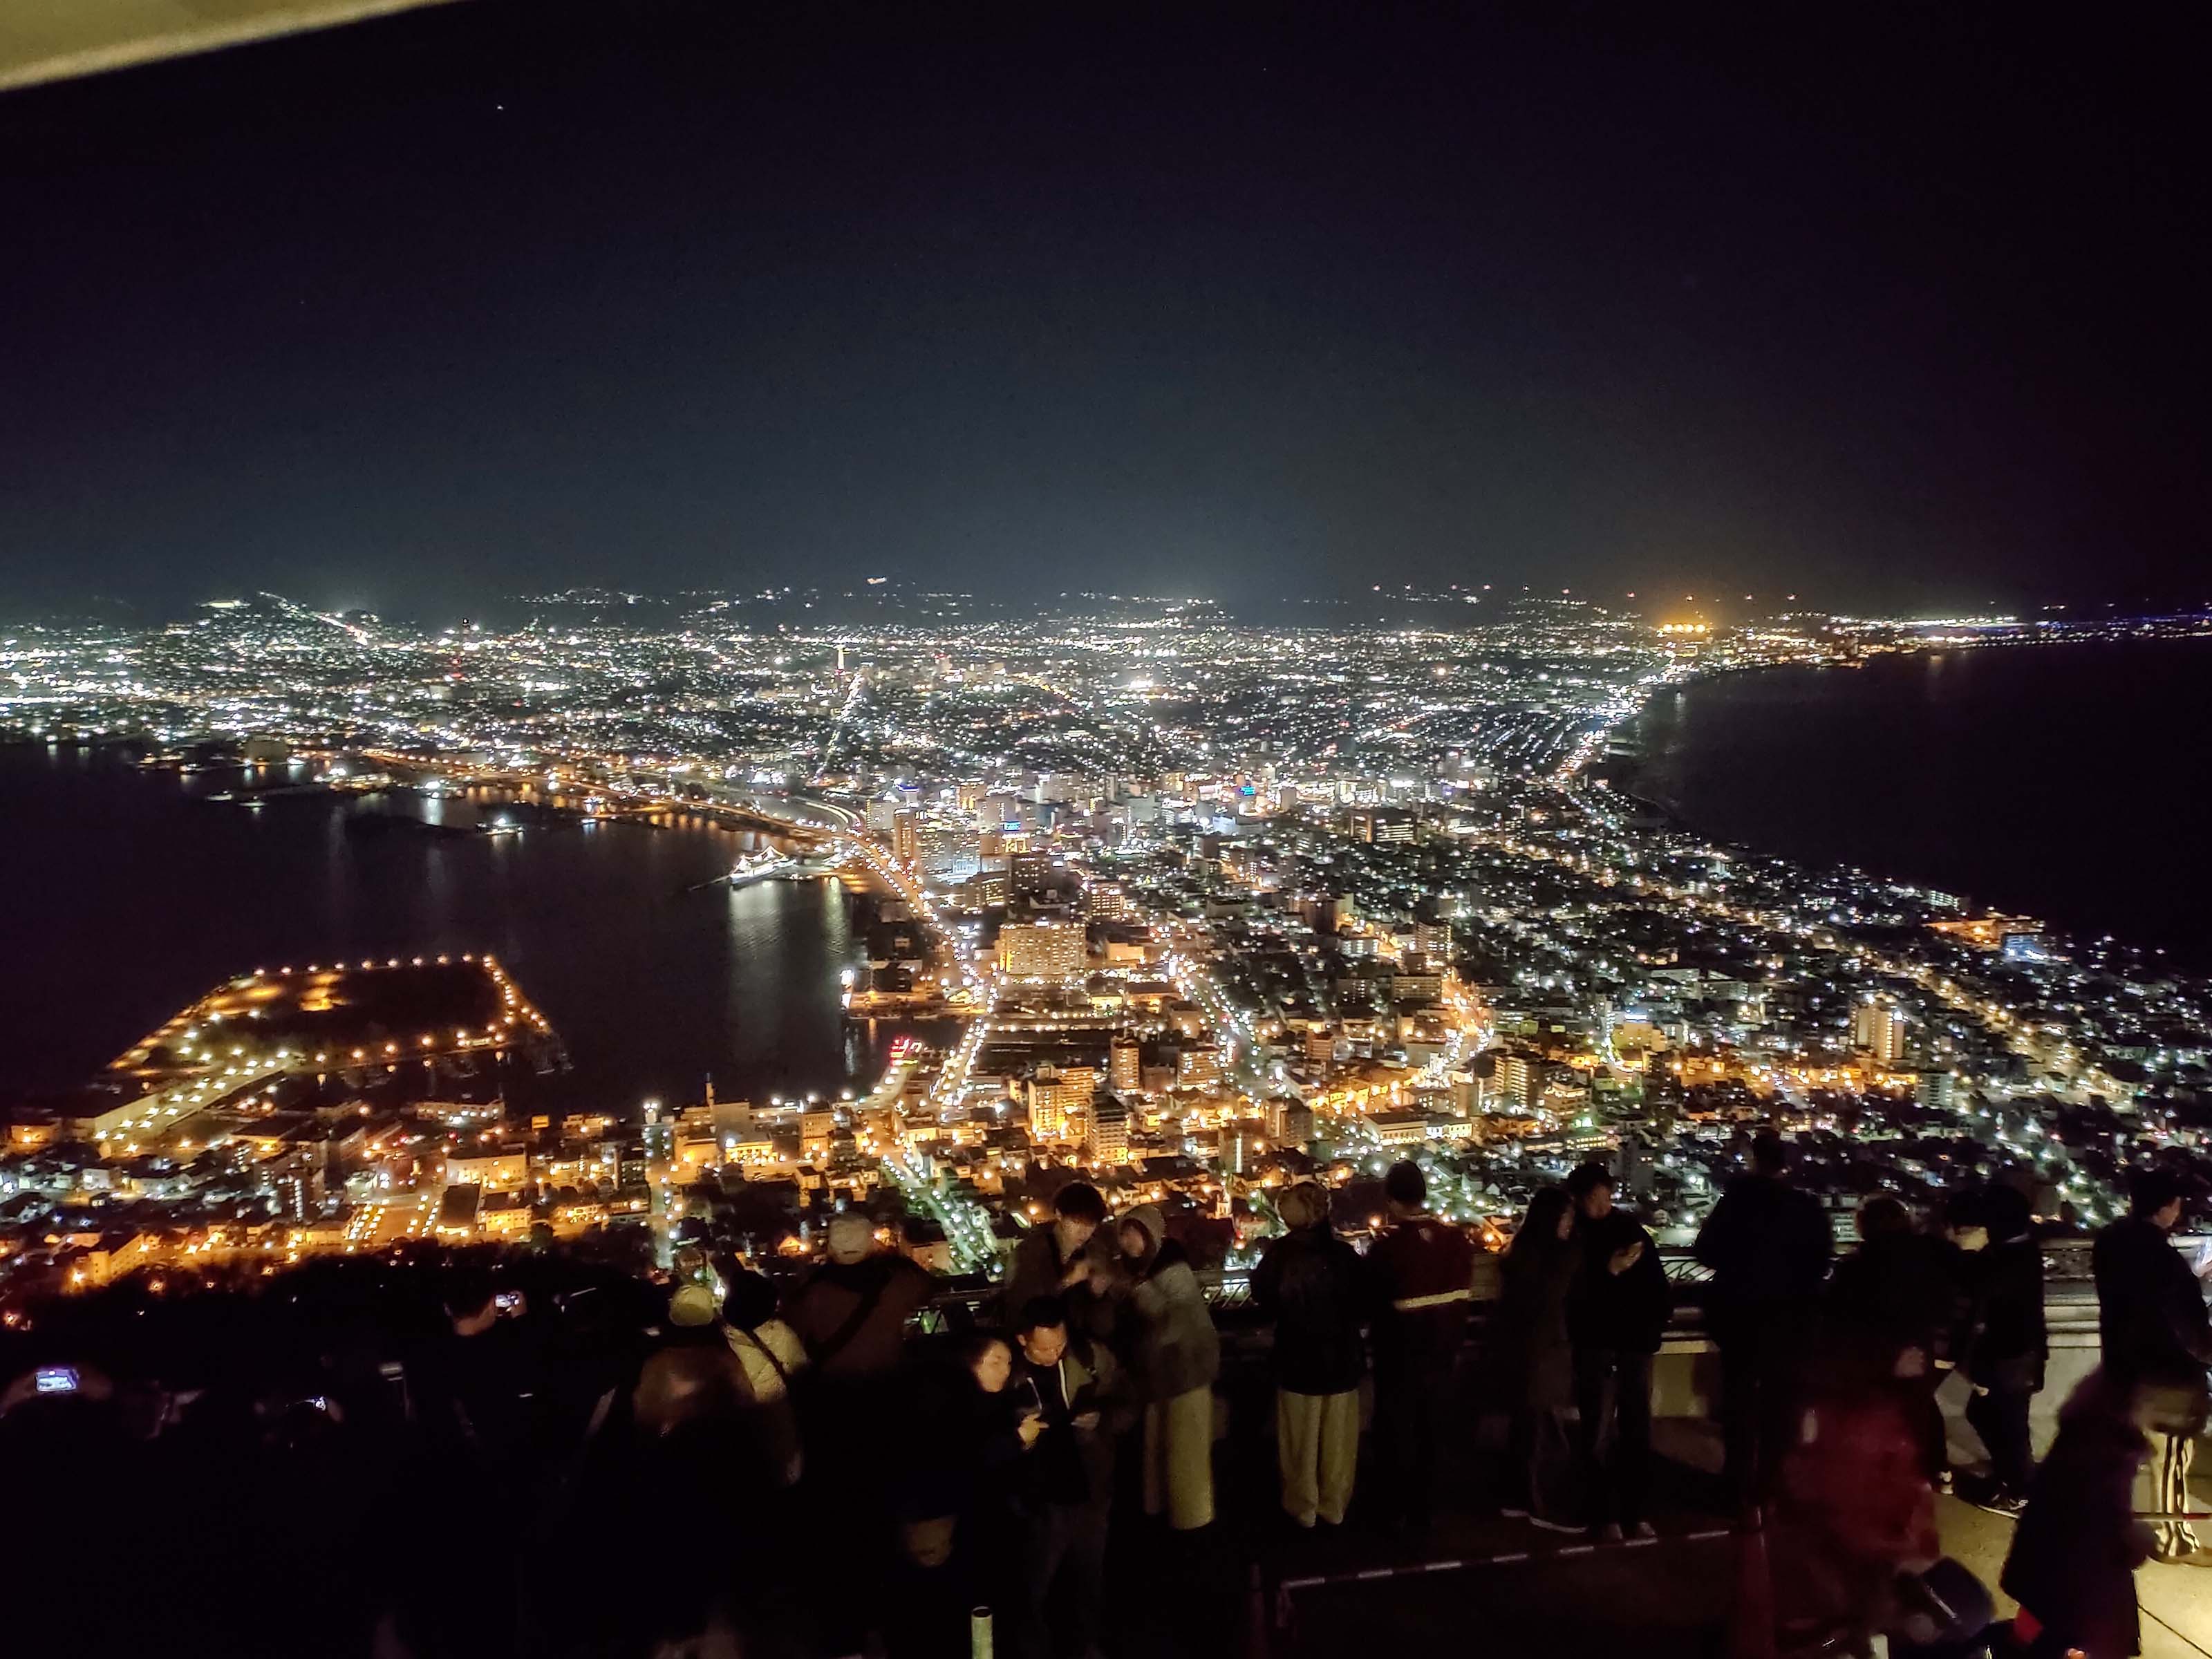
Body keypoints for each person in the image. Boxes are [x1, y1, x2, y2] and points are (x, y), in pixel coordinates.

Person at [2003, 1367, 2205, 1658]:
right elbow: (2112, 1534)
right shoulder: (2112, 1456)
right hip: (2081, 1596)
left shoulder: (2085, 1430)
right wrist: (2142, 1539)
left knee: (2036, 1633)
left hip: (2044, 1576)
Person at [1693, 1130, 1833, 1506]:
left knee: (1739, 1405)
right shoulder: (1808, 1208)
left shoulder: (1738, 1201)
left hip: (1740, 1316)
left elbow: (1704, 1251)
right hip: (1792, 1319)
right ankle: (1774, 1486)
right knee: (1781, 1407)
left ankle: (1736, 1488)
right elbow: (1821, 1264)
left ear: (1755, 1159)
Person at [2091, 1168, 2212, 1560]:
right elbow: (2190, 1330)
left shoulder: (2109, 1244)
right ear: (2169, 1208)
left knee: (2123, 1456)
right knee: (2172, 1459)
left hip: (2124, 1367)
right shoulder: (2164, 1261)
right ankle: (2174, 1540)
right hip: (2167, 1376)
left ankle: (2107, 1526)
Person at [1367, 1160, 1476, 1539]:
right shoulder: (1456, 1242)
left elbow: (1372, 1303)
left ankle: (1393, 1511)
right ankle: (1424, 1510)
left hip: (1399, 1357)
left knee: (1397, 1434)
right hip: (1445, 1355)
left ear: (1392, 1201)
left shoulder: (1388, 1249)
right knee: (1431, 1433)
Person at [1250, 1180, 1365, 1530]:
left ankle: (1303, 1507)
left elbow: (1263, 1296)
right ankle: (1334, 1504)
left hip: (1298, 1360)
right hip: (1342, 1361)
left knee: (1299, 1442)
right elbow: (1363, 1300)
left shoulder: (1280, 1256)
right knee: (1338, 1442)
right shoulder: (1344, 1256)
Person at [1009, 1297, 1120, 1659]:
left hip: (1087, 1484)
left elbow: (1125, 1396)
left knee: (1090, 1577)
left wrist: (1102, 1418)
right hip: (1039, 1497)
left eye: (1060, 1344)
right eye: (1044, 1348)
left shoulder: (1085, 1357)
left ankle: (1087, 1643)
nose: (1054, 1353)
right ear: (1022, 1341)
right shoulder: (1007, 1376)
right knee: (1034, 1584)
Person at [1825, 1194, 1962, 1485]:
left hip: (1874, 1352)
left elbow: (1837, 1312)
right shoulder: (1931, 1255)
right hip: (1919, 1344)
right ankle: (1935, 1469)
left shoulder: (1856, 1267)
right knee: (1921, 1406)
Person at [1565, 1161, 1669, 1539]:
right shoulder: (1573, 1237)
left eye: (1604, 1196)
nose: (1600, 1204)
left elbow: (1657, 1286)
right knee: (1598, 1432)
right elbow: (1571, 1294)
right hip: (1597, 1346)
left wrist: (1652, 1330)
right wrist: (1607, 1271)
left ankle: (1635, 1511)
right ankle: (1603, 1513)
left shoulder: (1628, 1229)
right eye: (1593, 1198)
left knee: (1636, 1431)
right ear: (1578, 1199)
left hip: (1632, 1345)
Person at [1116, 1203, 1220, 1531]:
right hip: (1159, 1373)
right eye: (1126, 1233)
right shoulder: (1138, 1268)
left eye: (1137, 1234)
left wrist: (1138, 1291)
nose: (1130, 1241)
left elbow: (1176, 1320)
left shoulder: (1171, 1268)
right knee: (1161, 1443)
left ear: (1152, 1237)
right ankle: (1163, 1508)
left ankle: (1192, 1518)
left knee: (1185, 1447)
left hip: (1185, 1369)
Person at [1488, 1185, 1581, 1531]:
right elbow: (1560, 1291)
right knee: (1542, 1432)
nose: (1571, 1223)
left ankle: (1514, 1498)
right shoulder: (1558, 1258)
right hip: (1544, 1352)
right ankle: (1543, 1505)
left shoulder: (1519, 1252)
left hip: (1519, 1350)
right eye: (1568, 1216)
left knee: (1524, 1429)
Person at [1957, 1185, 2046, 1513]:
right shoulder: (2021, 1249)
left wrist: (1968, 1254)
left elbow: (1980, 1286)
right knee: (1994, 1418)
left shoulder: (2012, 1257)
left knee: (2008, 1424)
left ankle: (2022, 1491)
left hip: (2011, 1355)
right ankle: (2013, 1478)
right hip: (2015, 1353)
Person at [722, 1269, 809, 1488]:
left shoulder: (721, 1343)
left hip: (741, 1432)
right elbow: (802, 1370)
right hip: (781, 1424)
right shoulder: (783, 1335)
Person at [1005, 1181, 1115, 1342]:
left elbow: (1103, 1324)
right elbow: (1022, 1307)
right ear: (1059, 1215)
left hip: (1079, 1342)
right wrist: (1067, 1281)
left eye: (1090, 1224)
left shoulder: (1094, 1252)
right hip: (1040, 1345)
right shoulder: (1031, 1252)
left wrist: (1098, 1295)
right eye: (1076, 1222)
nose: (1084, 1232)